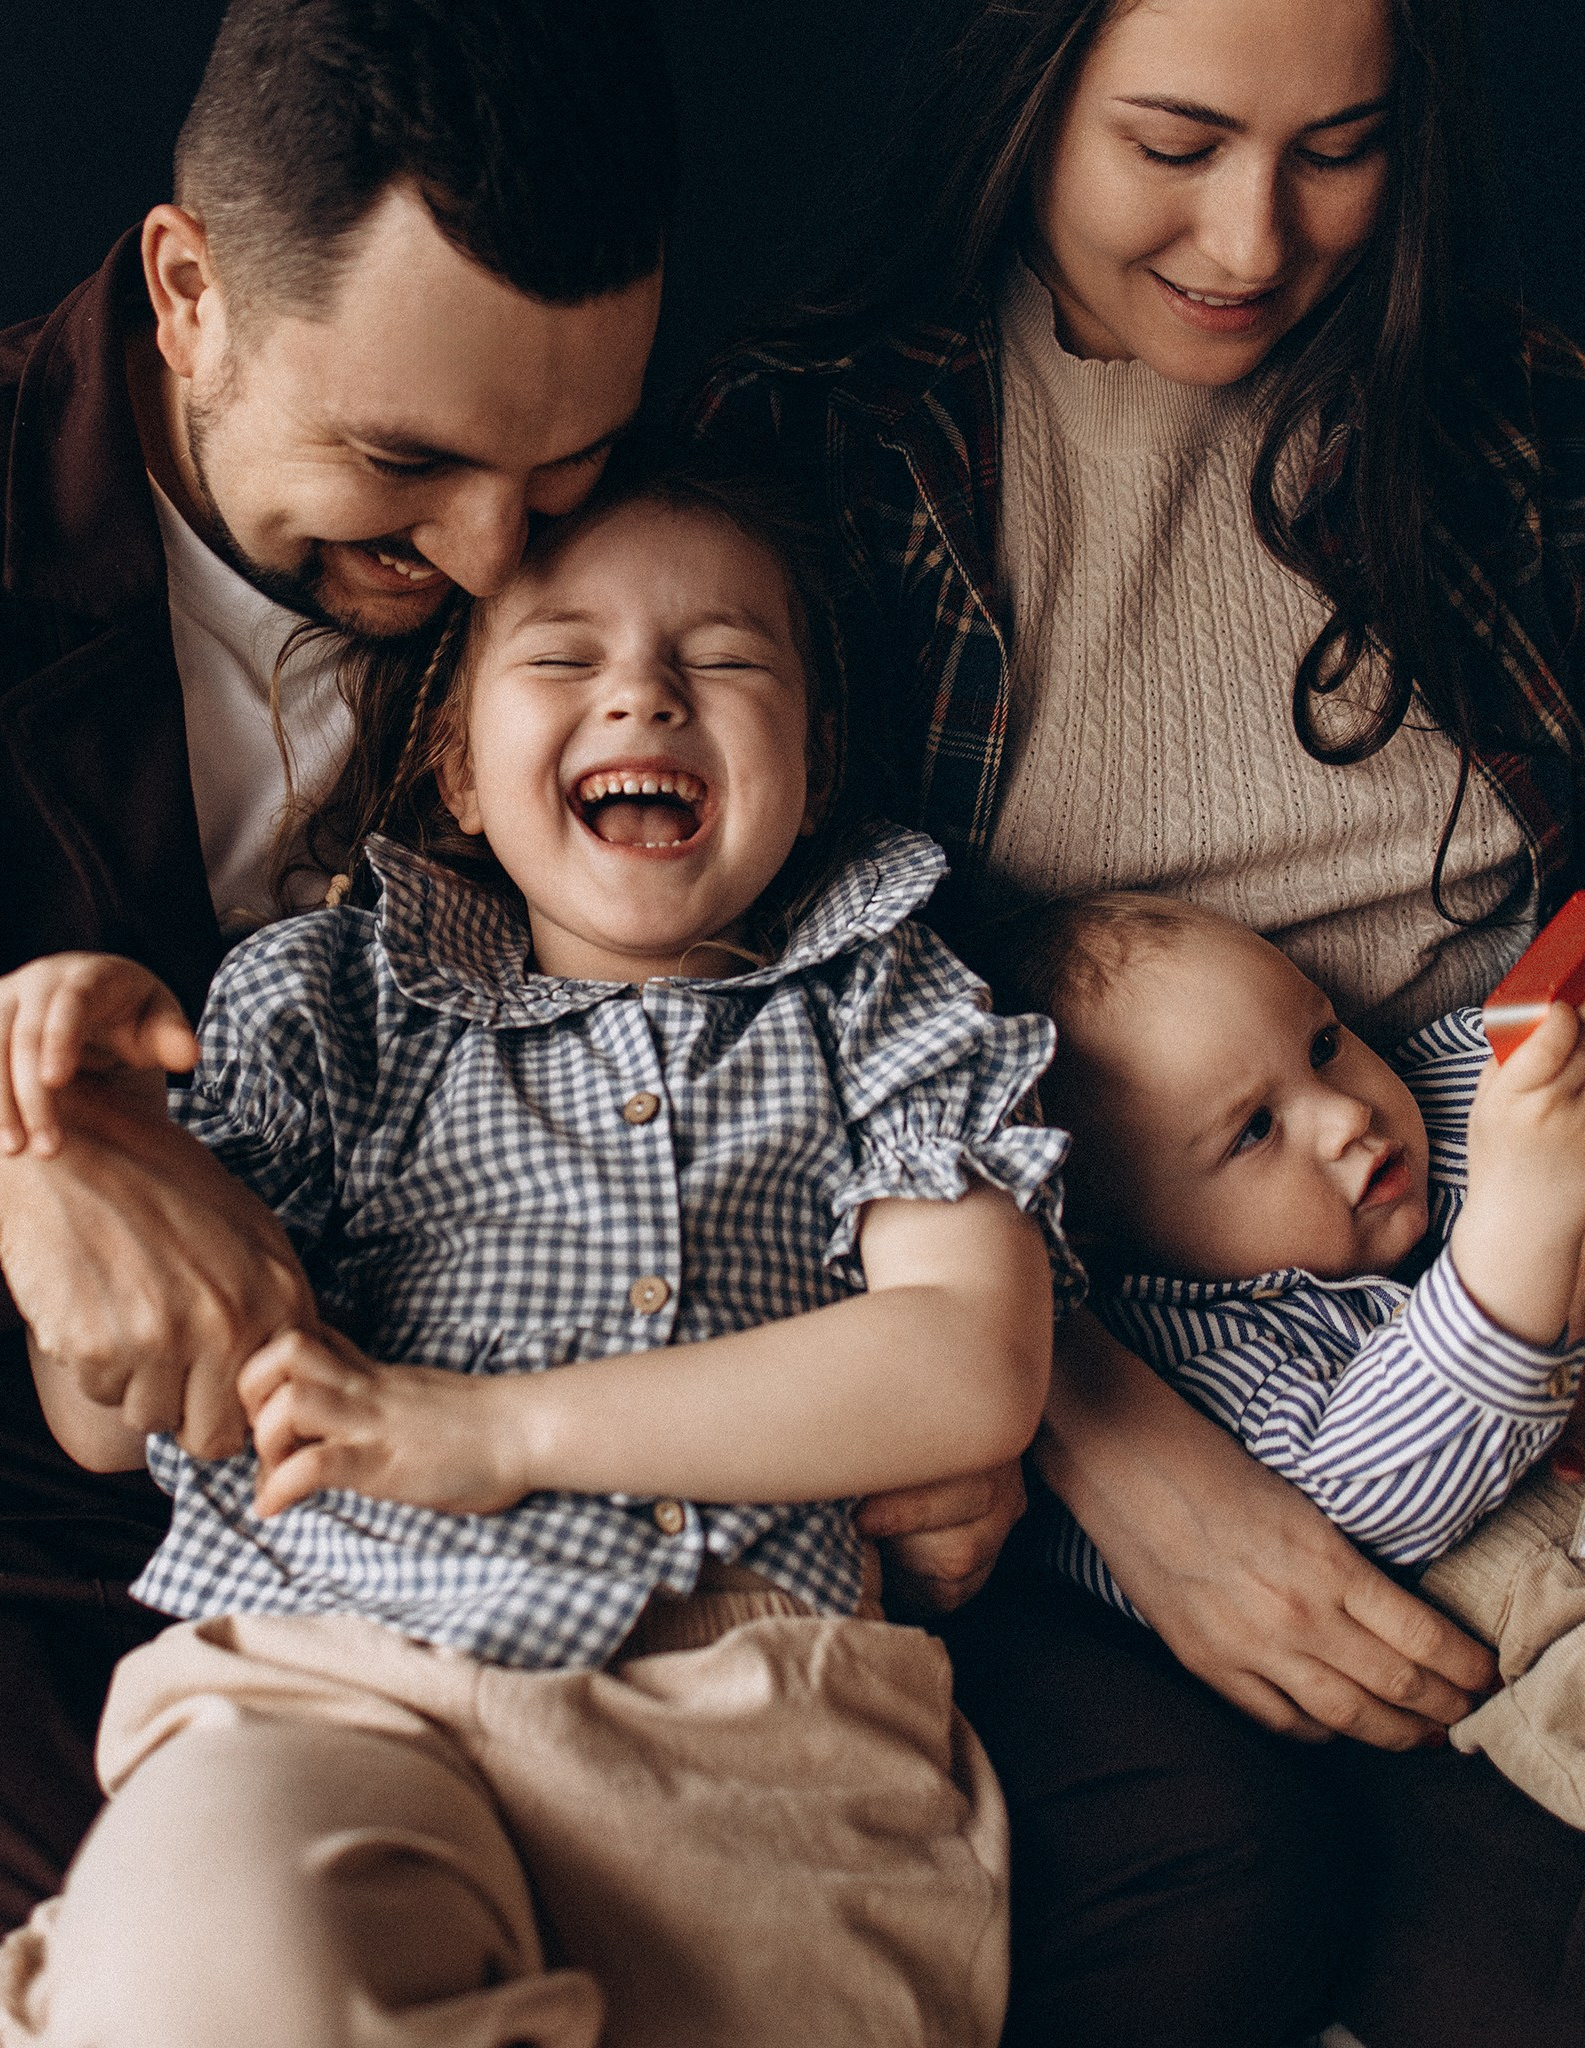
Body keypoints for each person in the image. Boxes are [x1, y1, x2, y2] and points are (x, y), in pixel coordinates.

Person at [0, 0, 1010, 1934]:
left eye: (567, 466)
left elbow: (862, 1073)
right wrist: (25, 1128)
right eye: (406, 460)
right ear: (187, 289)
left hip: (686, 1529)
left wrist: (1011, 1425)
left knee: (1190, 1855)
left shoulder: (620, 543)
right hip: (147, 1528)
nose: (486, 556)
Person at [686, 0, 1585, 2040]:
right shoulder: (829, 463)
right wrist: (1102, 1438)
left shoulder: (1527, 428)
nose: (1250, 237)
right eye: (1172, 141)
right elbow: (747, 1043)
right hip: (1125, 1365)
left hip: (1540, 1211)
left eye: (1335, 149)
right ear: (1023, 97)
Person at [0, 464, 1069, 2045]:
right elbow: (114, 1420)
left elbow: (968, 1362)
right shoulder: (323, 999)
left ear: (814, 756)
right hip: (338, 1668)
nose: (641, 691)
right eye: (562, 656)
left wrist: (499, 1432)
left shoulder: (886, 1002)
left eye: (722, 660)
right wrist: (95, 1149)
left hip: (753, 1726)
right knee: (204, 1978)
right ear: (453, 765)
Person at [991, 886, 1585, 1858]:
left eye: (1323, 1042)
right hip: (1579, 1617)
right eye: (1252, 1130)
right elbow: (1353, 1515)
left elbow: (1576, 1020)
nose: (1343, 1115)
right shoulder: (1180, 1350)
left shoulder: (1443, 1081)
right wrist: (1520, 1229)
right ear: (1103, 1237)